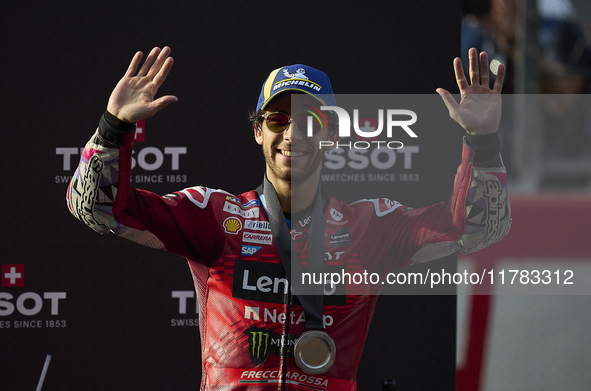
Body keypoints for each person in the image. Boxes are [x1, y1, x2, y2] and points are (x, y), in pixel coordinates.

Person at [66, 46, 511, 390]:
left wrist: (483, 142)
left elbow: (476, 228)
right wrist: (112, 129)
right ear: (259, 130)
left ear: (331, 135)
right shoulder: (218, 217)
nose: (293, 132)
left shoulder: (368, 227)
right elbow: (98, 209)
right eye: (279, 118)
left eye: (310, 119)